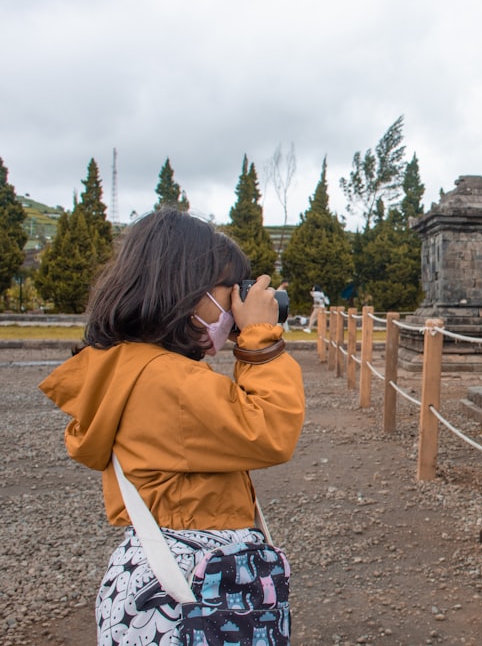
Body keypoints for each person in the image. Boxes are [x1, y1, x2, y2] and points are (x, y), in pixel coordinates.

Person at [39, 209, 306, 645]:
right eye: (230, 290)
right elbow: (270, 429)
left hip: (158, 578)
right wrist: (258, 335)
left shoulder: (128, 368)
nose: (235, 306)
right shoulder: (165, 380)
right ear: (187, 289)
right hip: (190, 592)